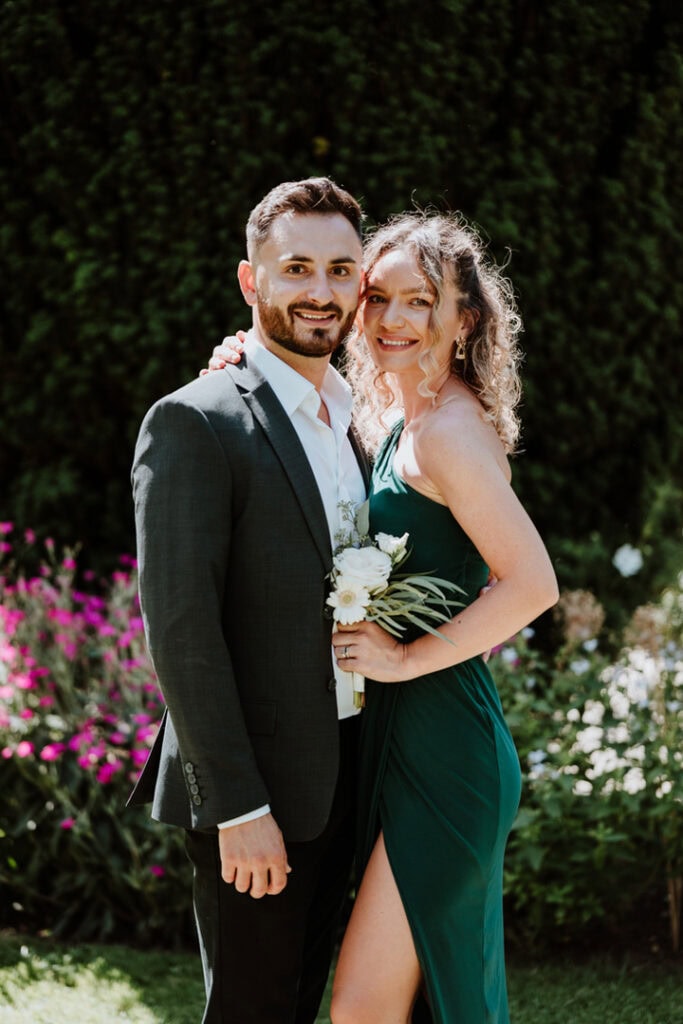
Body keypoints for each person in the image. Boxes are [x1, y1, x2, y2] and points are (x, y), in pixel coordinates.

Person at [209, 210, 559, 1023]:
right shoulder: (398, 416)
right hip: (398, 740)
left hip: (445, 748)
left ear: (463, 318)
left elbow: (532, 582)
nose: (392, 320)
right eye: (379, 299)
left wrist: (402, 660)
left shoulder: (450, 432)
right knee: (413, 1003)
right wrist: (240, 360)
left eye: (419, 302)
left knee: (365, 1006)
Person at [129, 177, 371, 1024]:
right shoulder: (195, 420)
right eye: (296, 267)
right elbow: (182, 630)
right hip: (258, 796)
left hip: (347, 772)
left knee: (301, 1004)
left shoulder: (352, 416)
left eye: (341, 270)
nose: (320, 291)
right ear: (250, 281)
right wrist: (237, 806)